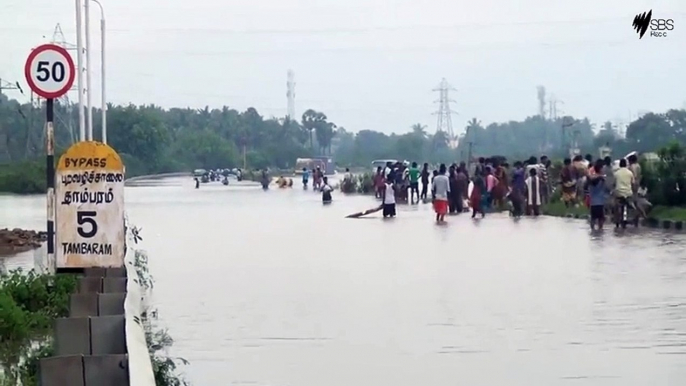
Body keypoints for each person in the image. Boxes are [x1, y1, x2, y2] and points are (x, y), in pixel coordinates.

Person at [587, 162, 607, 230]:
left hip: (593, 202)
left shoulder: (591, 178)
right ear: (600, 169)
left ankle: (593, 232)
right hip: (600, 202)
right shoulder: (602, 178)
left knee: (593, 219)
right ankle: (599, 232)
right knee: (601, 219)